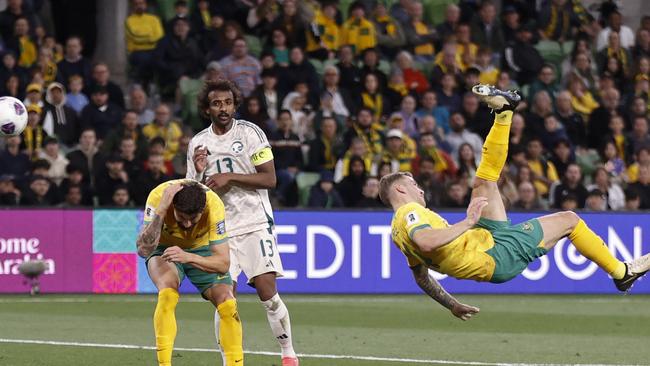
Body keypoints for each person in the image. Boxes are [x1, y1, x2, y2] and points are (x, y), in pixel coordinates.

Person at [379, 85, 650, 319]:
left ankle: (504, 112)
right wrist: (468, 221)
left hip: (483, 239)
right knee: (570, 220)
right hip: (494, 256)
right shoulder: (411, 213)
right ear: (401, 190)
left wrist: (452, 304)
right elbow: (426, 241)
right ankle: (621, 272)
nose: (421, 190)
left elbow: (421, 277)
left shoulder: (397, 232)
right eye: (414, 185)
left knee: (485, 182)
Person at [186, 79, 299, 366]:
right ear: (207, 108)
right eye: (216, 103)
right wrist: (199, 174)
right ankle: (230, 361)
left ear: (235, 105)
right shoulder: (197, 143)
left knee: (267, 292)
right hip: (219, 230)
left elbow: (270, 178)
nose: (222, 108)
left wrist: (231, 177)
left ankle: (288, 354)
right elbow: (193, 194)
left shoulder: (251, 133)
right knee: (225, 299)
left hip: (254, 222)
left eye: (227, 102)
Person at [135, 180, 243, 366]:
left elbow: (223, 264)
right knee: (167, 292)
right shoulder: (158, 196)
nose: (186, 223)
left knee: (227, 302)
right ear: (174, 206)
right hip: (163, 247)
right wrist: (162, 209)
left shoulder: (213, 204)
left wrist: (189, 257)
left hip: (199, 249)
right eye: (181, 217)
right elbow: (144, 250)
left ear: (202, 209)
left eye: (193, 219)